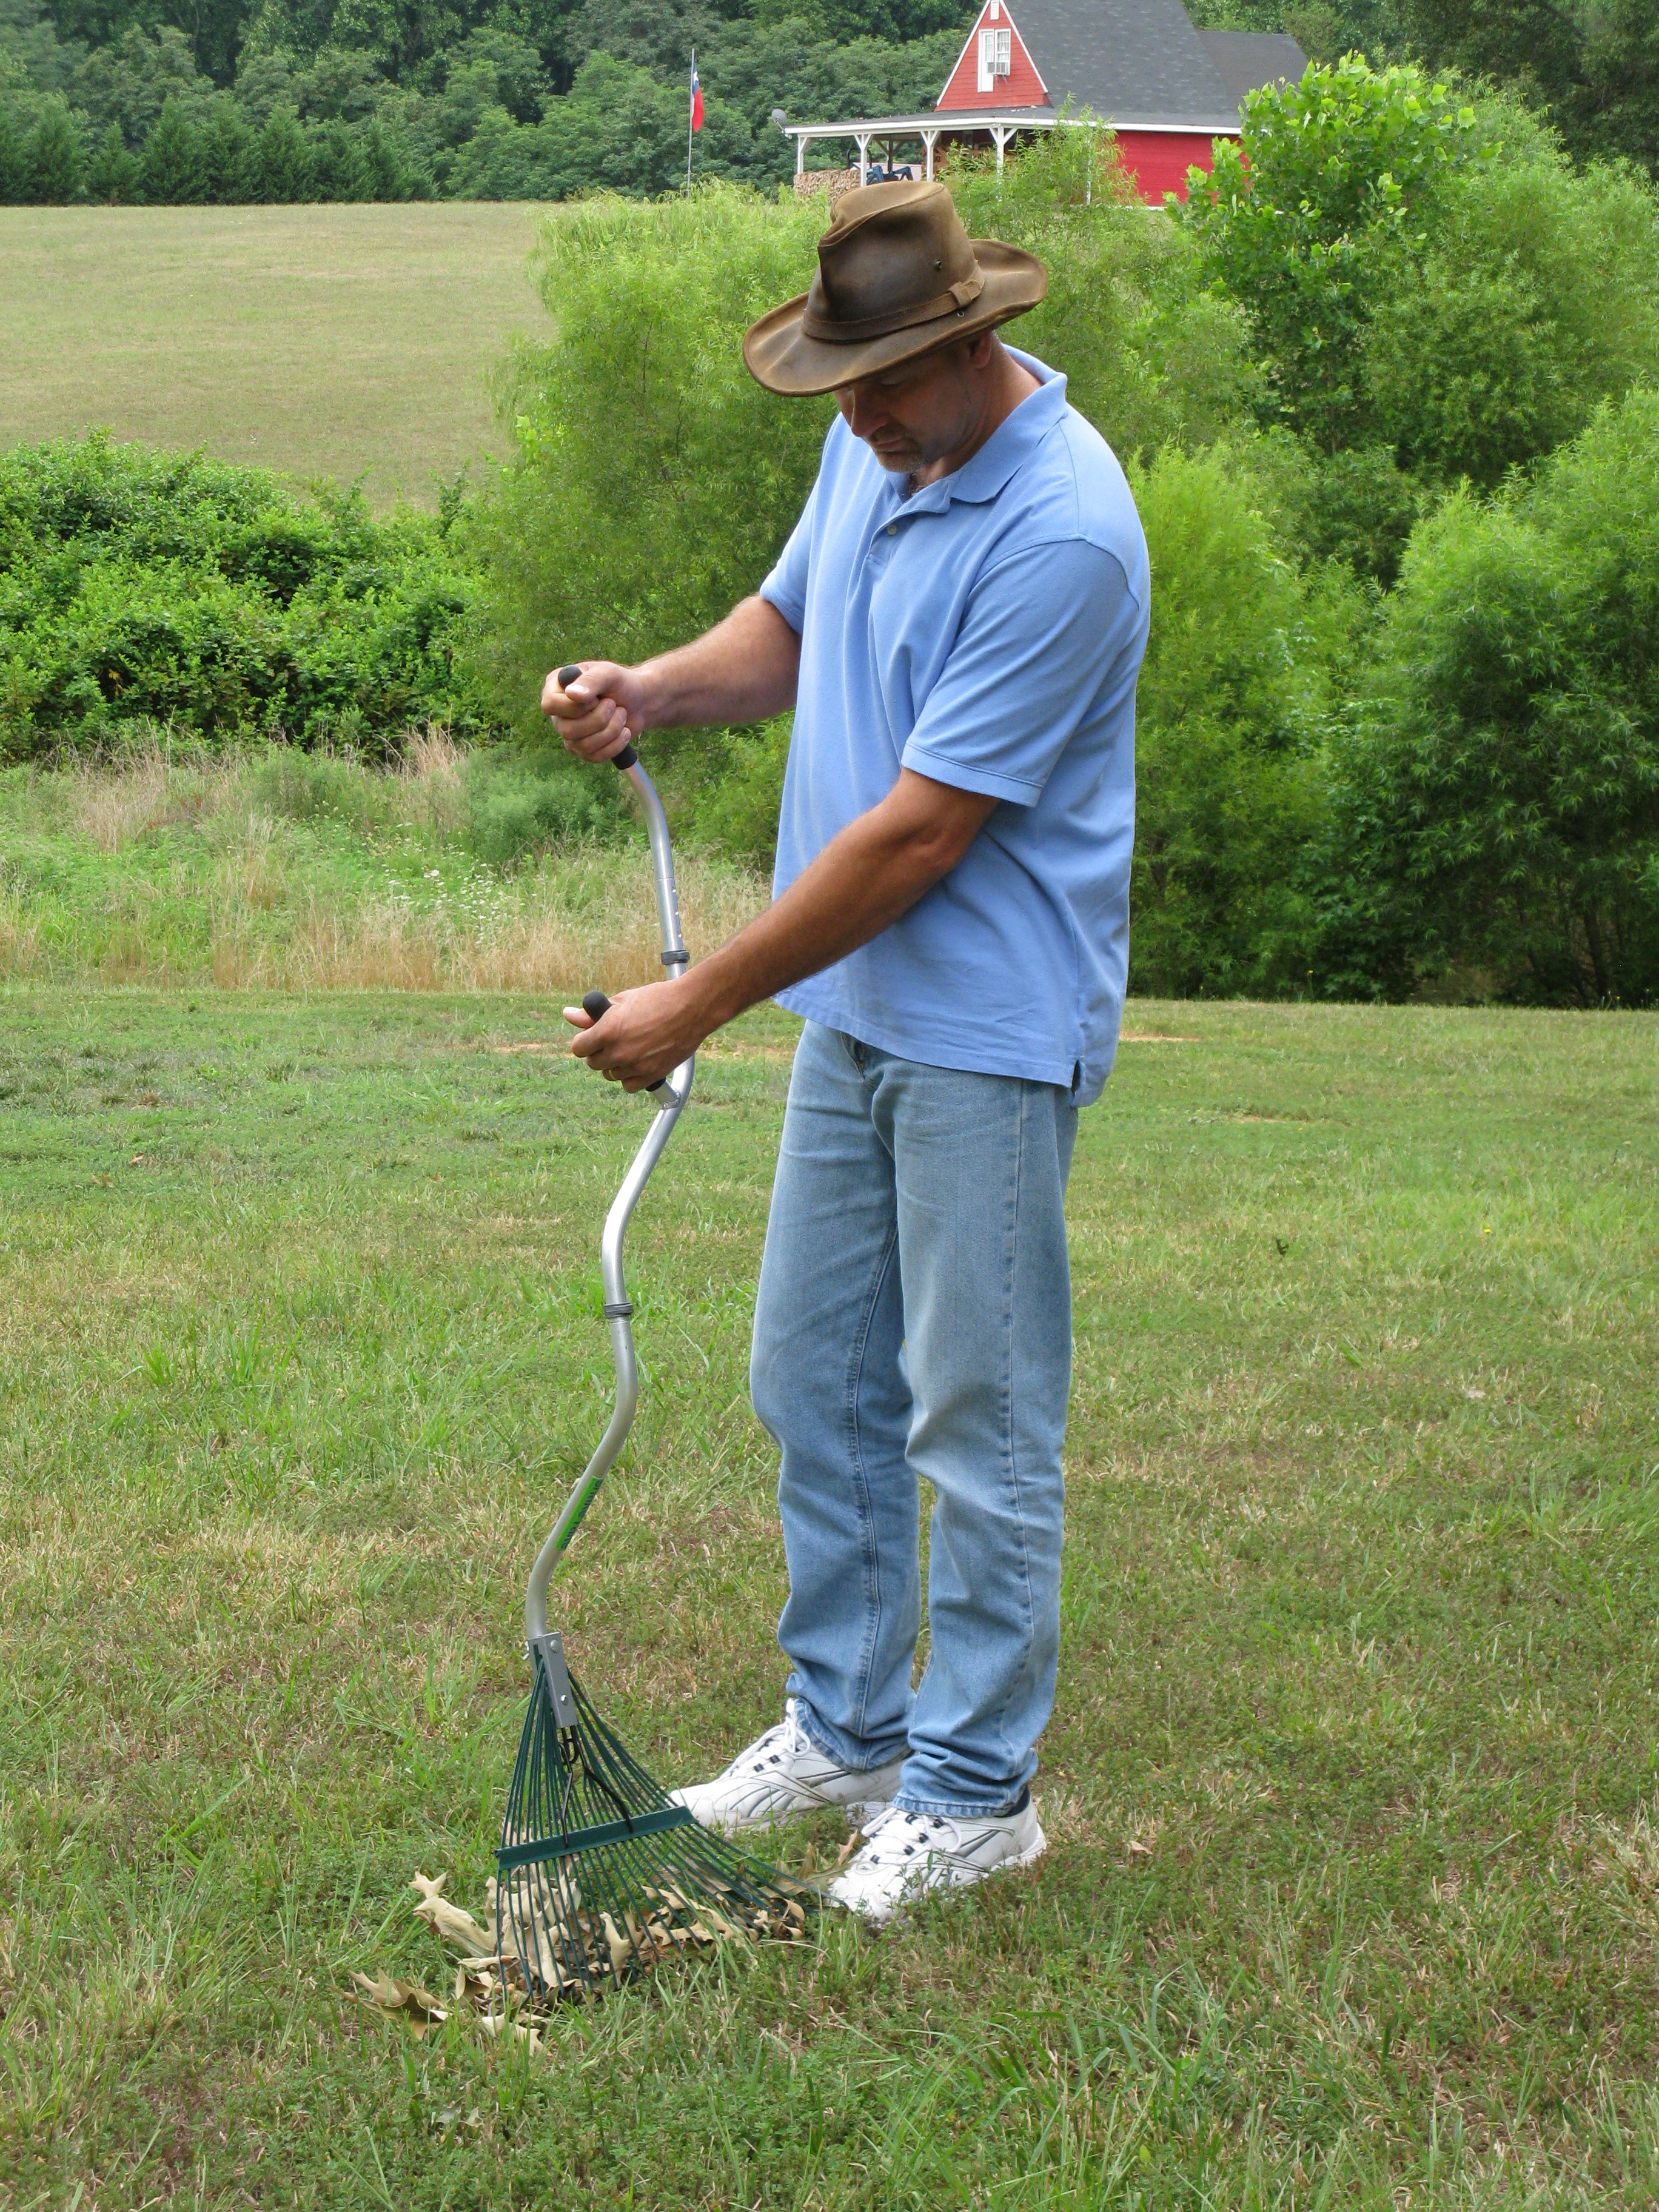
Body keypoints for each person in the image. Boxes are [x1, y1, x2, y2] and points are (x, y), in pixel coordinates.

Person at [542, 180, 1148, 1924]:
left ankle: (974, 1794)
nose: (858, 417)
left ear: (973, 346)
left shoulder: (1067, 535)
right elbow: (788, 635)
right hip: (860, 1018)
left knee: (978, 1412)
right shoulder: (878, 450)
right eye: (839, 387)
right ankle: (850, 1730)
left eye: (883, 385)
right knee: (814, 1383)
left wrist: (692, 1003)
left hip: (988, 1027)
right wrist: (652, 688)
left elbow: (915, 842)